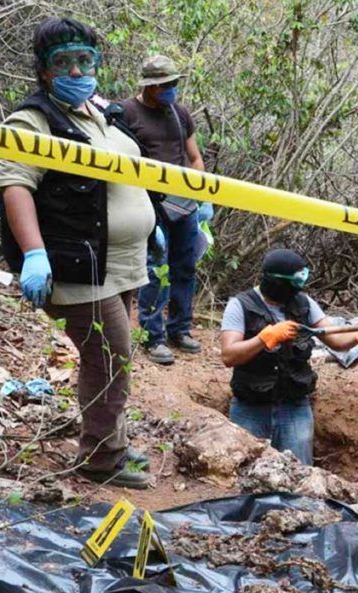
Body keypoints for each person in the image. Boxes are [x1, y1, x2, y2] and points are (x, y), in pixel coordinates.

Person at [0, 17, 155, 488]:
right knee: (110, 356)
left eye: (84, 60)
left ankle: (111, 439)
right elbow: (16, 186)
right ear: (44, 69)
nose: (76, 70)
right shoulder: (33, 120)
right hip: (77, 265)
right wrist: (34, 253)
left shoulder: (102, 112)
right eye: (63, 61)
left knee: (110, 356)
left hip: (121, 261)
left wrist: (155, 222)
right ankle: (101, 458)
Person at [220, 249, 358, 465]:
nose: (298, 289)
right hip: (250, 407)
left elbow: (338, 341)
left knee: (300, 474)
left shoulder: (304, 303)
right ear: (276, 282)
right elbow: (229, 355)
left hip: (294, 407)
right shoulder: (240, 305)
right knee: (247, 472)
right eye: (294, 283)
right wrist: (264, 338)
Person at [121, 55, 212, 366]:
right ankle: (153, 335)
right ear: (149, 86)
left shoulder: (180, 113)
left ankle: (180, 329)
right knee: (156, 268)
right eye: (165, 85)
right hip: (148, 202)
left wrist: (201, 195)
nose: (171, 89)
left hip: (184, 204)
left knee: (185, 266)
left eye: (174, 83)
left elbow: (194, 156)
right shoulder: (127, 112)